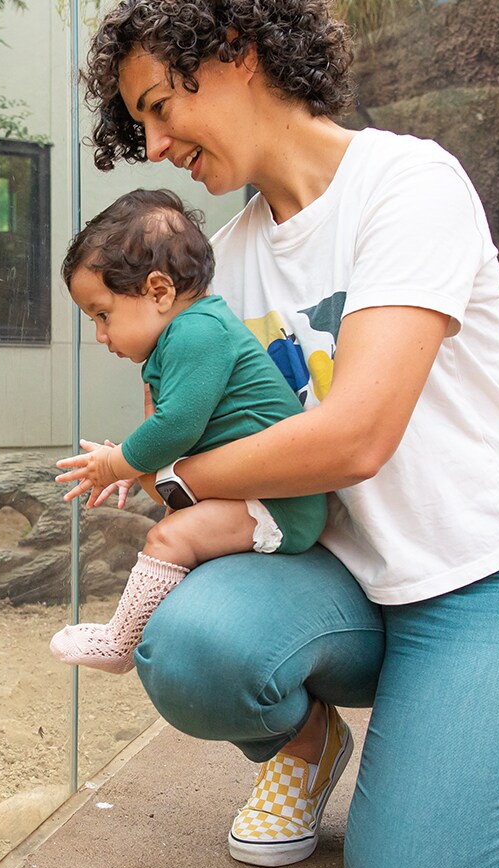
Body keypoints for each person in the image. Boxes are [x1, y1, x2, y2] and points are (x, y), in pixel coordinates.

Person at [57, 0, 499, 868]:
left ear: (238, 51)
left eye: (162, 105)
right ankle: (304, 745)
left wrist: (172, 473)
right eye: (140, 125)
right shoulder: (232, 265)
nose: (157, 144)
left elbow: (356, 436)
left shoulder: (408, 186)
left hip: (485, 578)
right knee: (185, 639)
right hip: (340, 578)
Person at [49, 188, 328, 673]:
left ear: (158, 291)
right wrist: (129, 462)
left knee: (170, 539)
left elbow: (176, 426)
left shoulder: (197, 331)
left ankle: (121, 642)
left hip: (280, 505)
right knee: (172, 531)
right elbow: (178, 436)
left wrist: (116, 462)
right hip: (255, 493)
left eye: (102, 314)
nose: (100, 334)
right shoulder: (187, 334)